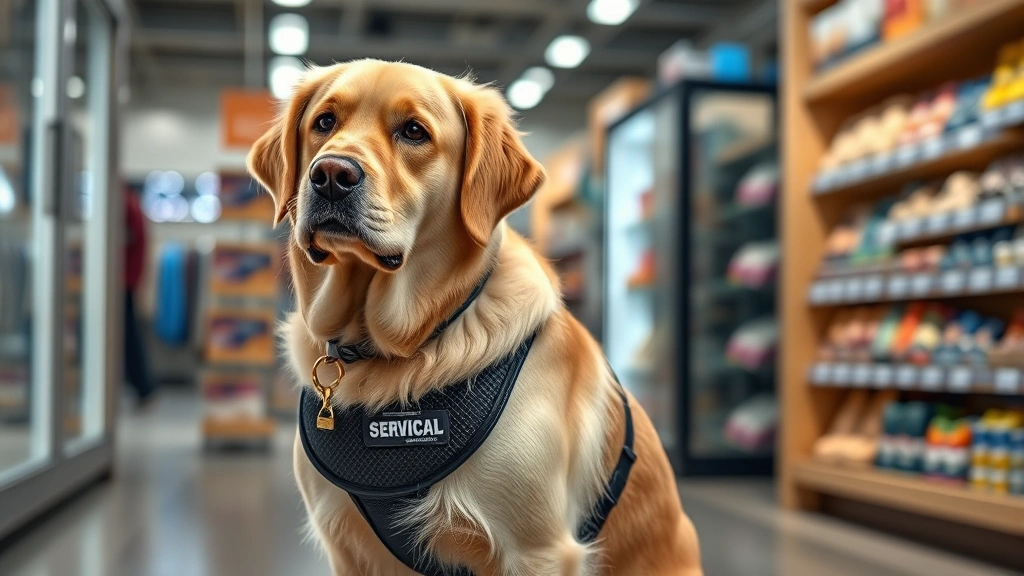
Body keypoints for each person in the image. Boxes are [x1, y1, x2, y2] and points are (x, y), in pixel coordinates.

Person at [124, 188, 158, 405]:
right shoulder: (131, 204)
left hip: (123, 280)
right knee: (129, 337)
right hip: (127, 279)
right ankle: (142, 386)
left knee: (128, 338)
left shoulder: (126, 204)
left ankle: (143, 386)